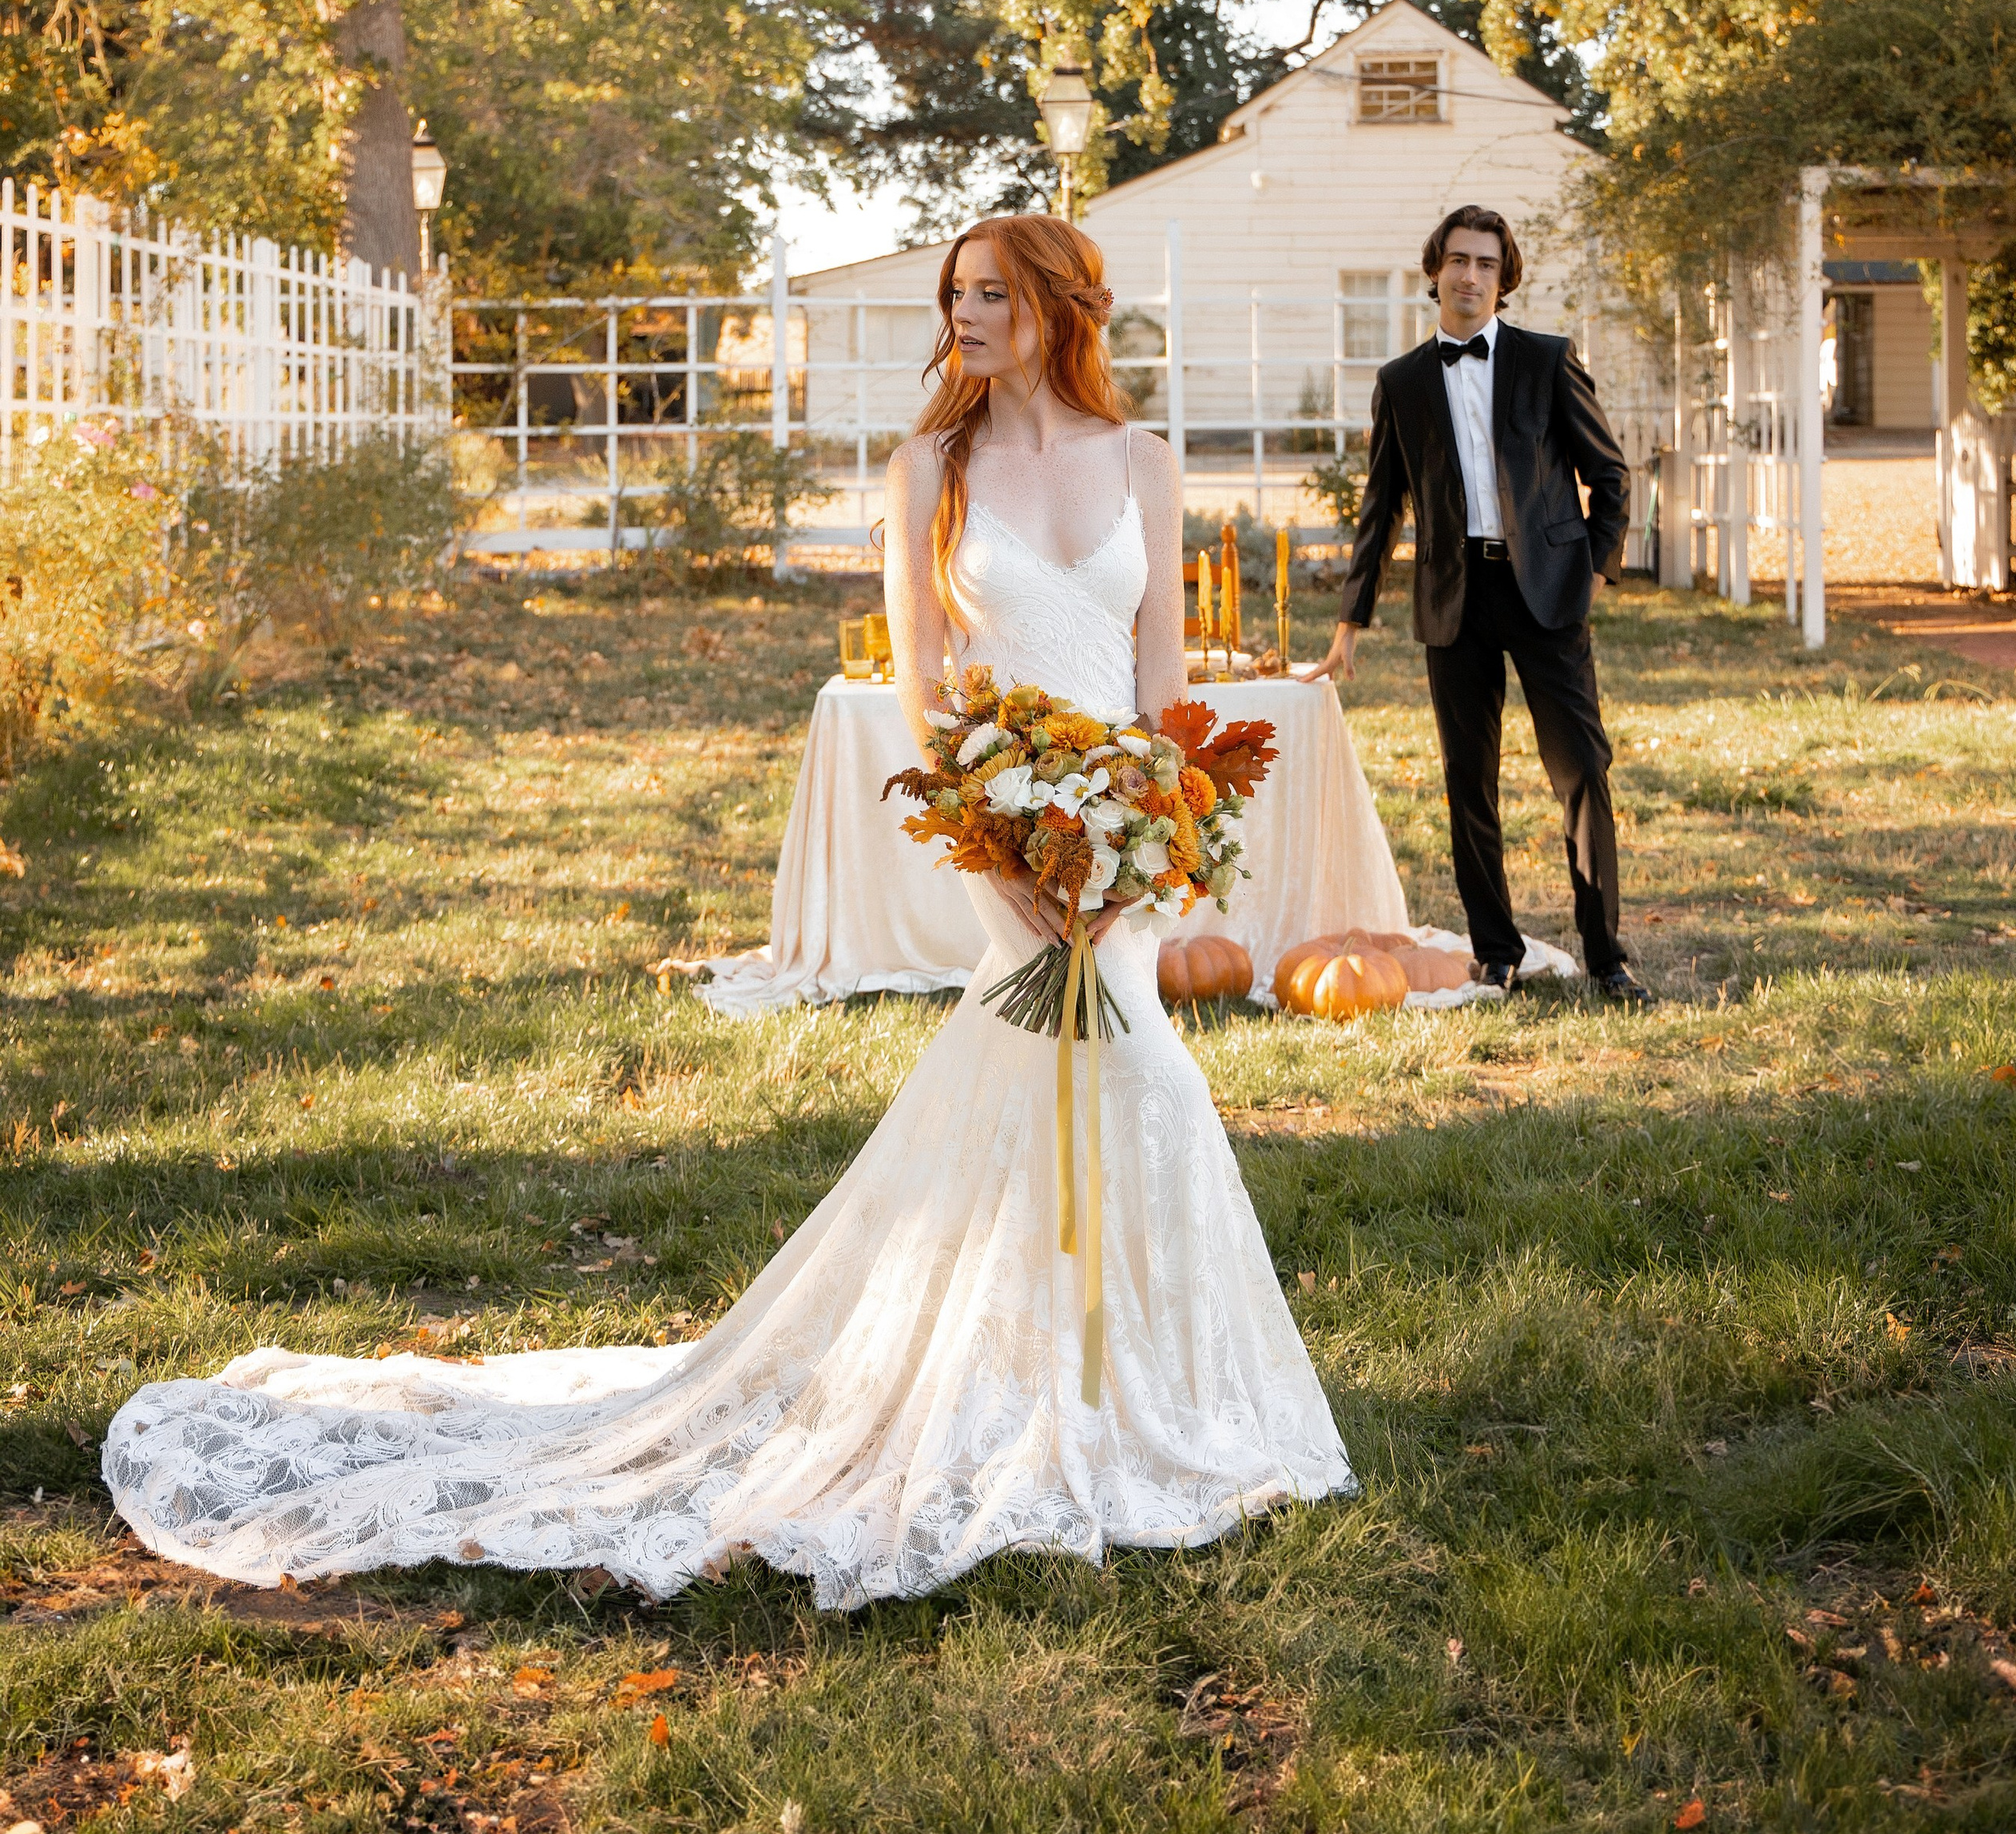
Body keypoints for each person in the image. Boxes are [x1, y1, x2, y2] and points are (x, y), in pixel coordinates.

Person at [104, 213, 1351, 1610]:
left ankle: (1130, 1382)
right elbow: (929, 695)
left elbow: (1165, 683)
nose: (968, 316)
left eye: (992, 293)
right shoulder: (930, 466)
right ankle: (1031, 1383)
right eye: (957, 295)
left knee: (1131, 1072)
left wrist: (1149, 840)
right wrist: (1002, 858)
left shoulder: (1147, 463)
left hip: (1120, 843)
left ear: (1059, 305)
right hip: (1004, 837)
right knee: (1074, 1067)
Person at [1304, 205, 1649, 1006]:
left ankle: (1607, 957)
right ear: (1435, 271)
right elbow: (1379, 507)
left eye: (1484, 264)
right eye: (1456, 260)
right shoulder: (1401, 383)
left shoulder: (1548, 360)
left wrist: (1594, 572)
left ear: (1503, 277)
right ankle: (1496, 952)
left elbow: (1612, 477)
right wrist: (1349, 622)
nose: (1468, 275)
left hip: (1547, 593)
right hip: (1452, 598)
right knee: (1469, 781)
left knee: (1582, 772)